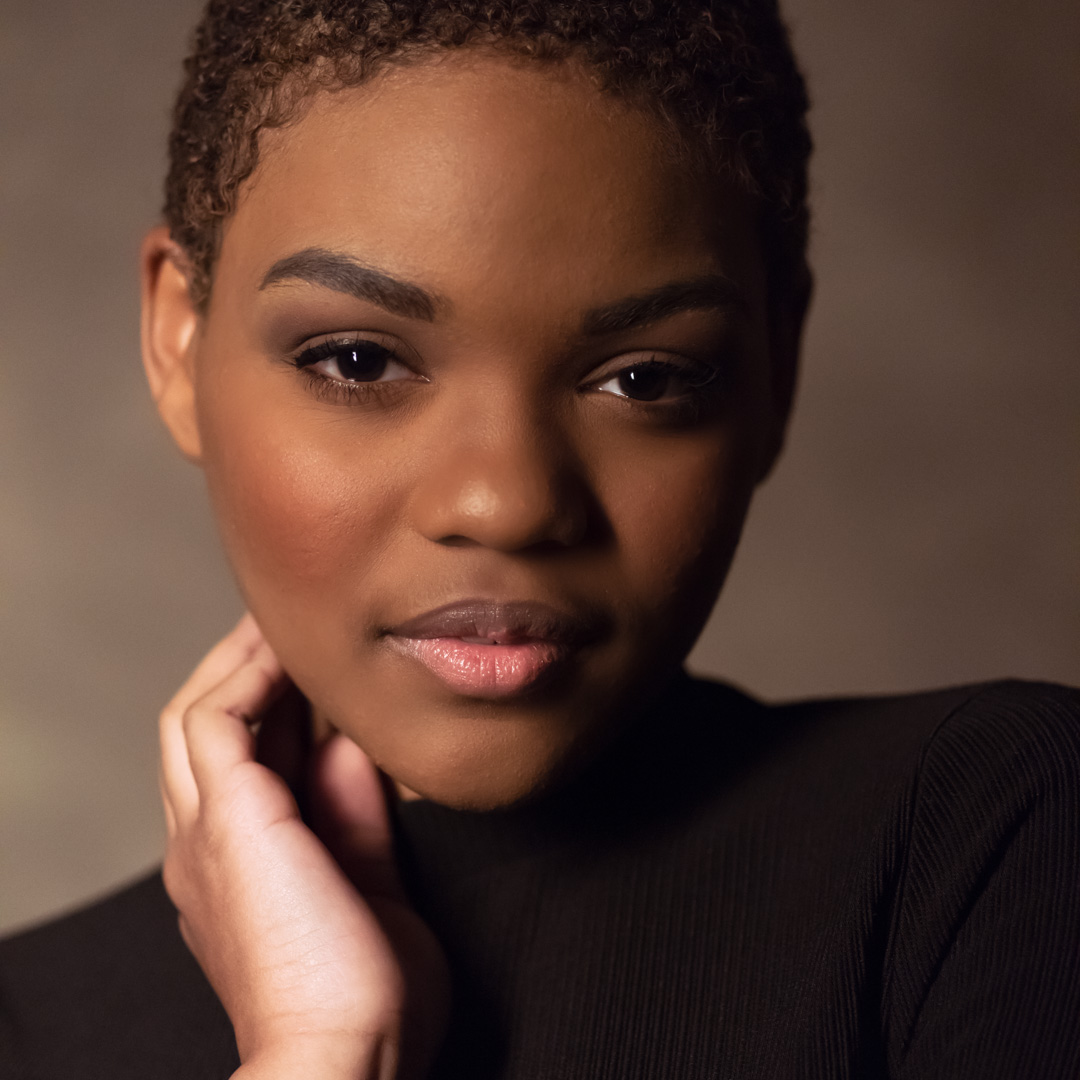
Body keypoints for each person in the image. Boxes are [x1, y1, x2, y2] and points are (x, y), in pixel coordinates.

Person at [1, 1, 1077, 1078]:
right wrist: (319, 1055)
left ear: (777, 369)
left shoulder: (991, 850)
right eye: (361, 362)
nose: (507, 502)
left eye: (644, 380)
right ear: (177, 343)